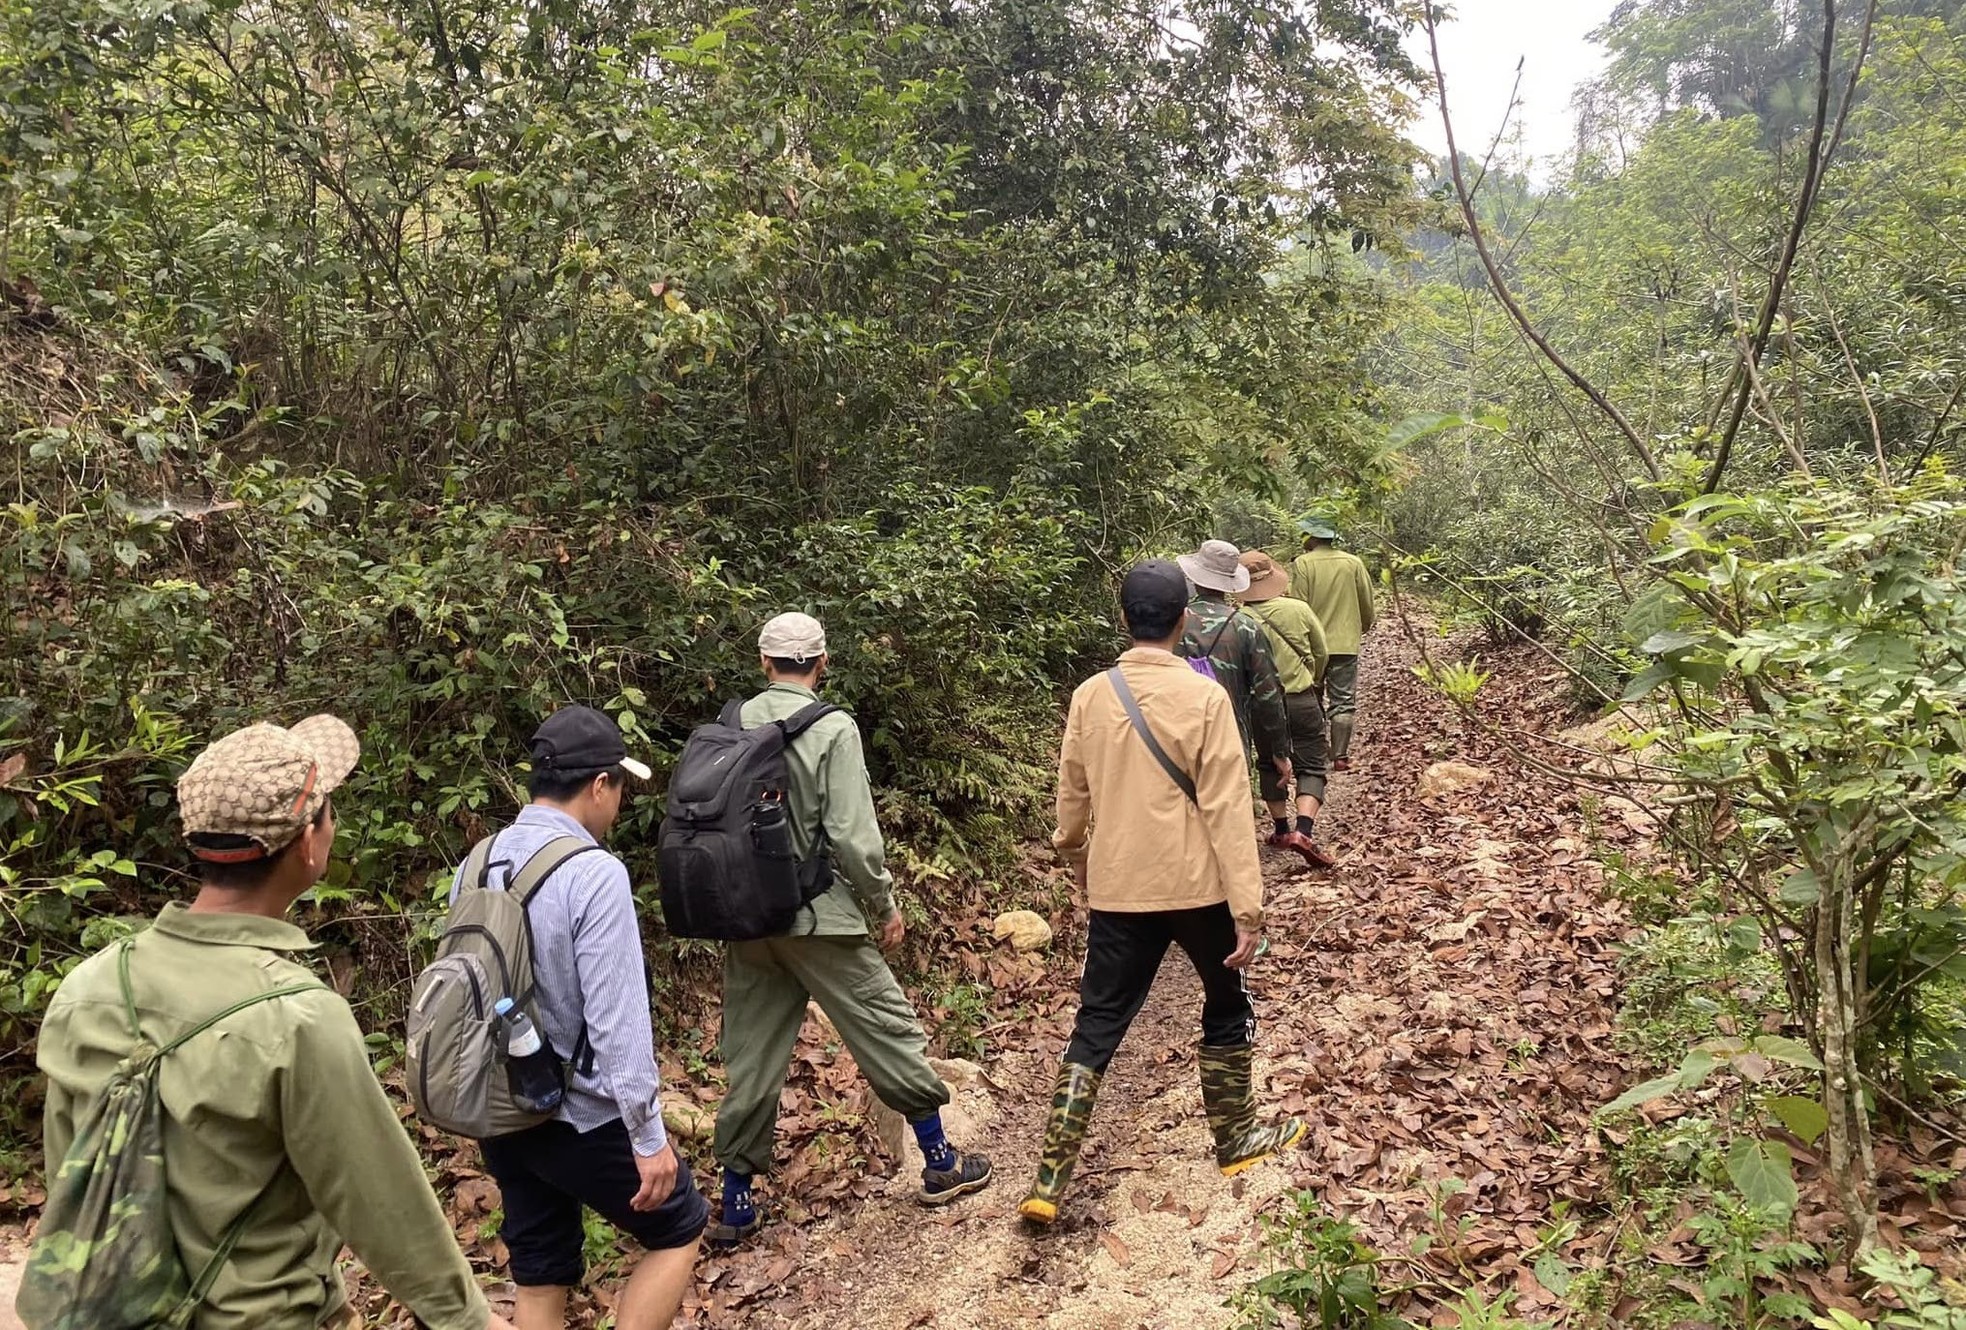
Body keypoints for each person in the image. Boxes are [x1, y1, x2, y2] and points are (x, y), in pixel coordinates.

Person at [32, 715, 517, 1330]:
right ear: (309, 844)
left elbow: (70, 1172)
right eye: (327, 811)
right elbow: (383, 1207)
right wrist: (470, 1319)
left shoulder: (90, 989)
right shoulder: (298, 1018)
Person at [1021, 562, 1306, 1226]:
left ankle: (1049, 1179)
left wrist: (1077, 858)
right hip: (1200, 886)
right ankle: (1236, 1138)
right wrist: (1249, 907)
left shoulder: (1092, 695)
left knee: (1098, 1023)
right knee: (1227, 1000)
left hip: (1122, 888)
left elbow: (1071, 800)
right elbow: (1230, 809)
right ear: (1183, 621)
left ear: (1125, 619)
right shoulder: (1205, 699)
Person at [710, 612, 991, 1246]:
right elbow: (853, 837)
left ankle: (736, 1203)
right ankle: (941, 1162)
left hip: (746, 919)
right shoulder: (832, 727)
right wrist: (884, 903)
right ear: (822, 662)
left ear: (763, 663)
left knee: (751, 1057)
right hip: (819, 919)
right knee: (886, 1029)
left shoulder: (731, 725)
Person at [457, 706, 706, 1330]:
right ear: (599, 785)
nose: (618, 803)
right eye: (619, 787)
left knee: (542, 1272)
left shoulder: (477, 861)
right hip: (578, 1114)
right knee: (680, 1226)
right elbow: (618, 1021)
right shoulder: (593, 873)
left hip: (503, 1108)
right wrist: (649, 1139)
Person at [1237, 550, 1336, 868]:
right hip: (1301, 698)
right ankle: (1303, 831)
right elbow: (1321, 653)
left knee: (1268, 763)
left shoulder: (1239, 619)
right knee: (1312, 763)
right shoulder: (1299, 610)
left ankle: (1280, 829)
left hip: (1260, 705)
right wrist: (1313, 680)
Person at [1176, 539, 1293, 798]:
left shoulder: (1174, 623)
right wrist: (1279, 751)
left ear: (1195, 578)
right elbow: (1269, 694)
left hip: (1175, 737)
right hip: (1228, 739)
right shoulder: (1246, 627)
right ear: (1230, 583)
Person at [1288, 519, 1376, 772]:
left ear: (1311, 538)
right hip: (1345, 643)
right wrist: (1363, 626)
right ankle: (1340, 756)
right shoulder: (1353, 563)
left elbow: (1298, 605)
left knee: (1312, 693)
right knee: (1344, 699)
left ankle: (1315, 749)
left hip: (1314, 644)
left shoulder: (1303, 564)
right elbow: (1366, 603)